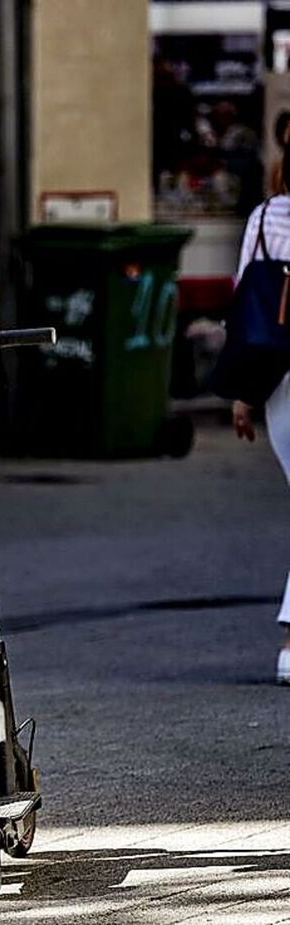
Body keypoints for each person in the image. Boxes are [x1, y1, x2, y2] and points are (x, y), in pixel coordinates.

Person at [231, 145, 290, 685]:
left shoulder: (264, 218)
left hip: (277, 372)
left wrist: (243, 391)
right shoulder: (269, 215)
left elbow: (243, 298)